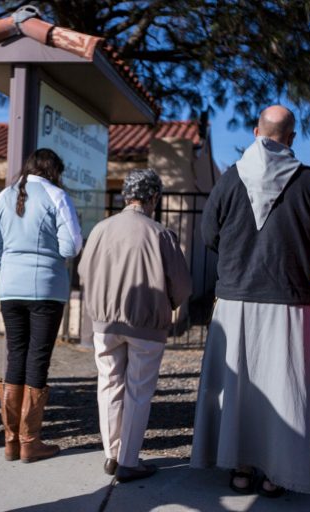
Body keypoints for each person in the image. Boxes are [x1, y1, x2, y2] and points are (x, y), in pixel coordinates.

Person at [190, 105, 310, 496]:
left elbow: (209, 235)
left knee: (238, 388)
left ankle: (239, 467)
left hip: (236, 298)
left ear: (257, 132)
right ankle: (277, 473)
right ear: (292, 138)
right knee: (284, 389)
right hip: (290, 300)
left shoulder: (230, 178)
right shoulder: (309, 183)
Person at [78, 168, 192, 482]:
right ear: (153, 197)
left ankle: (111, 455)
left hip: (105, 322)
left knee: (108, 385)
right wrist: (167, 304)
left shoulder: (101, 229)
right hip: (147, 324)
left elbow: (84, 272)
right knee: (138, 391)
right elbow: (182, 285)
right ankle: (129, 460)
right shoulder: (160, 234)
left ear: (126, 195)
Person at [0, 148, 82, 463]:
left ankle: (11, 441)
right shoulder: (57, 195)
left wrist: (10, 267)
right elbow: (72, 245)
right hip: (47, 289)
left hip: (10, 287)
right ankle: (30, 442)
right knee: (37, 359)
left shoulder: (4, 196)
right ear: (54, 171)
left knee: (15, 356)